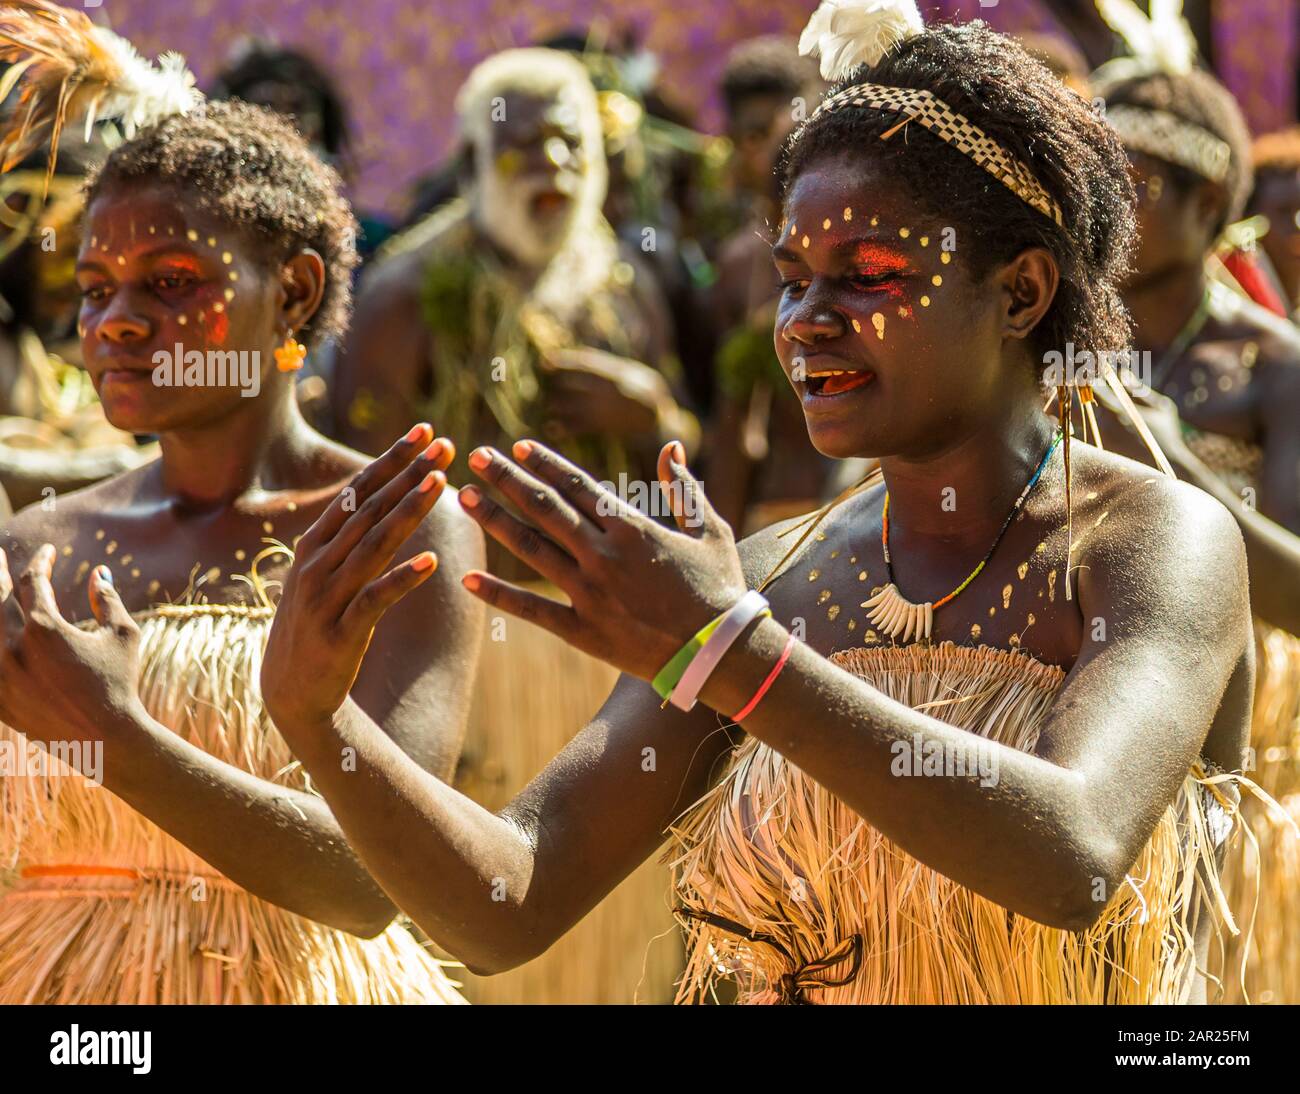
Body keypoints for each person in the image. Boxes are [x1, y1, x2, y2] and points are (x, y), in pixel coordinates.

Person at [262, 2, 1263, 1004]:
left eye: (868, 276)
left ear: (1019, 293)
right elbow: (505, 900)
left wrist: (727, 652)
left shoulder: (1147, 540)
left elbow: (1074, 855)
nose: (806, 323)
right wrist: (319, 719)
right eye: (792, 280)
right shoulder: (773, 575)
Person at [0, 7, 480, 1003]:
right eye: (94, 288)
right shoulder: (36, 542)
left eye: (169, 282)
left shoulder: (392, 527)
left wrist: (116, 732)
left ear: (295, 290)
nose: (116, 322)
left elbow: (374, 883)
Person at [333, 46, 692, 1004]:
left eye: (570, 144)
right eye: (522, 147)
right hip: (467, 645)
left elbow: (700, 483)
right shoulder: (409, 294)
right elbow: (348, 485)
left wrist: (652, 415)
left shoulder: (623, 289)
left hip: (617, 649)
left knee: (619, 922)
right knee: (474, 907)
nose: (552, 168)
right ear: (474, 165)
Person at [1091, 0, 1300, 1004]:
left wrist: (1174, 463)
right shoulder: (1054, 346)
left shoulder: (1270, 365)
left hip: (1235, 738)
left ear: (1208, 192)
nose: (1107, 210)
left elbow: (1298, 591)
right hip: (1088, 711)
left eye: (1132, 184)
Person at [707, 36, 839, 535]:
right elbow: (733, 432)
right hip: (774, 517)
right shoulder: (739, 264)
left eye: (770, 132)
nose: (760, 151)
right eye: (748, 137)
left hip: (868, 503)